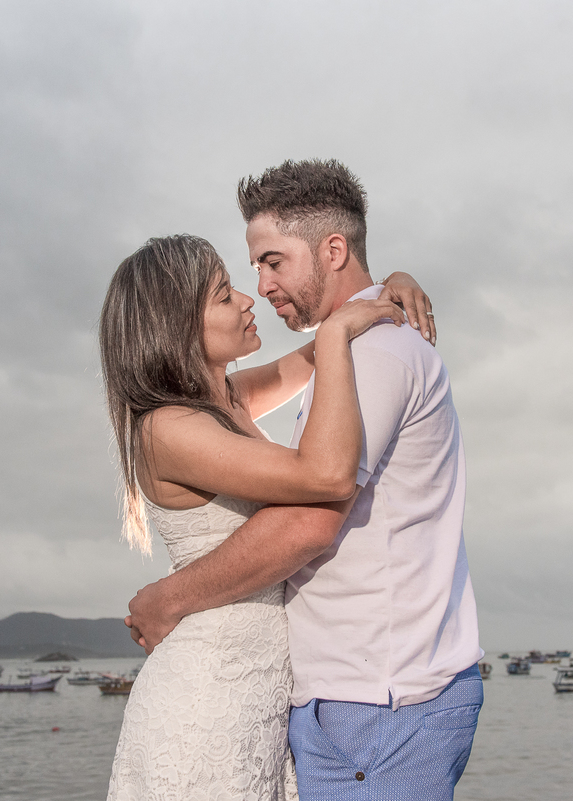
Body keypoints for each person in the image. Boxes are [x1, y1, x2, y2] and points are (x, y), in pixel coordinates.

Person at [126, 159, 483, 801]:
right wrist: (362, 307)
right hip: (288, 688)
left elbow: (316, 507)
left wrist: (168, 597)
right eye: (231, 285)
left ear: (333, 250)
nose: (255, 288)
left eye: (270, 261)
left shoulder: (362, 355)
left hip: (374, 700)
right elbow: (314, 450)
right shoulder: (188, 418)